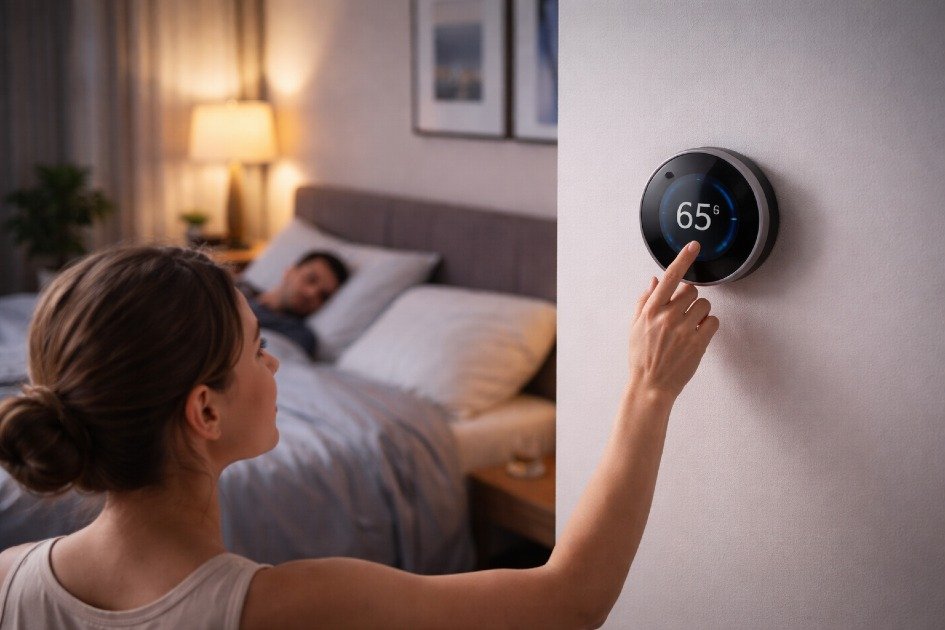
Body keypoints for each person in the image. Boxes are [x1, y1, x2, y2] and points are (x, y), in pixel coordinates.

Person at [0, 240, 717, 629]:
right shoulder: (296, 606)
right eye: (255, 349)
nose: (273, 359)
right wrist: (648, 391)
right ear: (205, 413)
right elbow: (570, 603)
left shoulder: (10, 578)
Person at [237, 250, 348, 358]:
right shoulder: (238, 287)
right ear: (290, 271)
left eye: (323, 296)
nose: (311, 293)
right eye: (311, 279)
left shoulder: (299, 335)